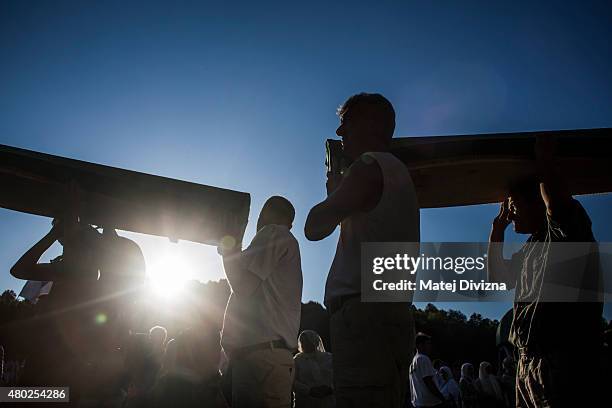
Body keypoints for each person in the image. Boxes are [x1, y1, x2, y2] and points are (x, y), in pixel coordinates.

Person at [305, 93, 419, 408]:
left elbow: (313, 227)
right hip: (392, 311)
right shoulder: (398, 173)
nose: (340, 134)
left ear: (368, 124)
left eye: (346, 124)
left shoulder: (368, 166)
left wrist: (334, 193)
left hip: (362, 314)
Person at [487, 136, 603, 407]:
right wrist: (496, 233)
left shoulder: (567, 234)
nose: (510, 213)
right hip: (528, 364)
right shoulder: (529, 249)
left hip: (563, 363)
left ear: (538, 202)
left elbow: (557, 204)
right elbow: (497, 279)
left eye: (514, 205)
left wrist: (544, 160)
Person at [219, 196, 303, 408]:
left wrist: (229, 247)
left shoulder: (274, 233)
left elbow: (243, 286)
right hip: (266, 359)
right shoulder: (283, 242)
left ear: (265, 213)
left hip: (260, 360)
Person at [293, 330, 334, 408]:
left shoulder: (329, 358)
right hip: (306, 402)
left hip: (328, 400)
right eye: (302, 341)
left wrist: (330, 388)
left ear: (315, 341)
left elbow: (338, 376)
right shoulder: (297, 360)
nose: (304, 344)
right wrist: (309, 390)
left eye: (307, 341)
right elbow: (292, 381)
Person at [409, 333, 445, 408]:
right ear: (419, 345)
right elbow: (428, 381)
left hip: (419, 402)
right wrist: (442, 398)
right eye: (427, 344)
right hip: (429, 403)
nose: (430, 346)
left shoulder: (413, 362)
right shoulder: (423, 358)